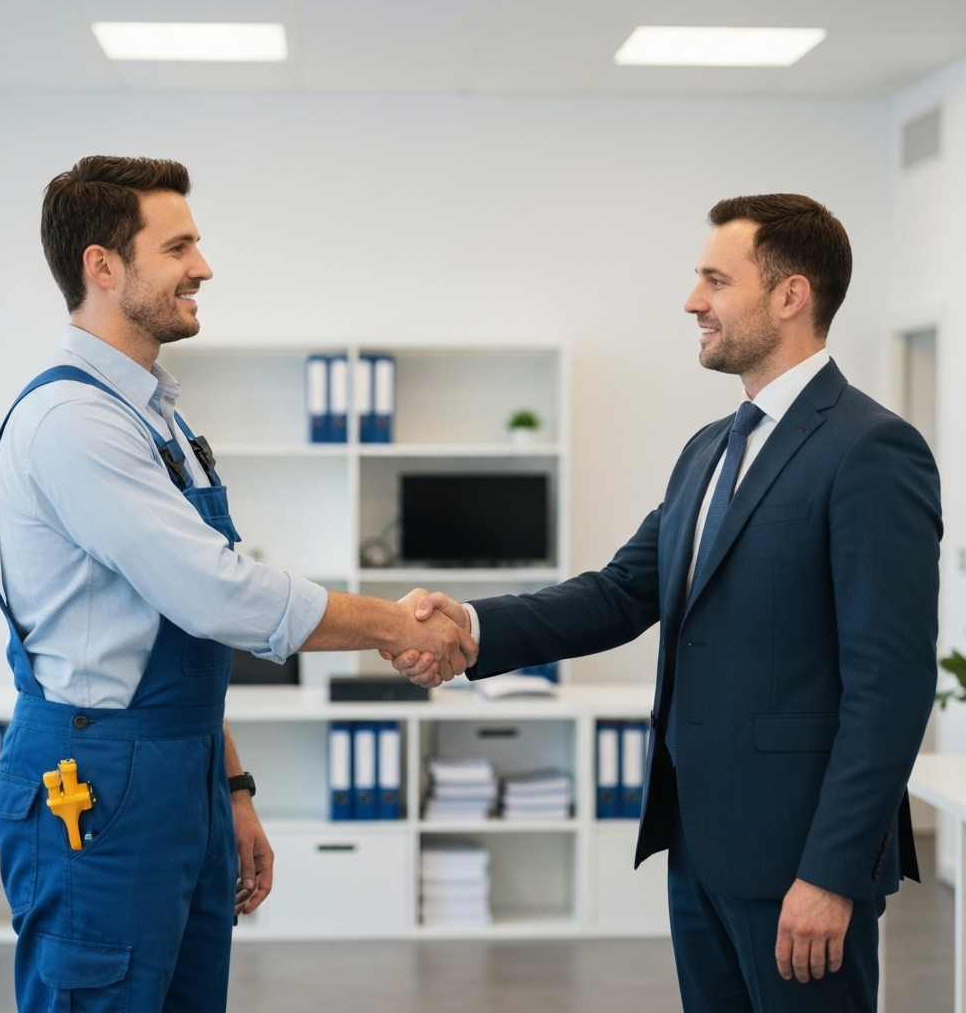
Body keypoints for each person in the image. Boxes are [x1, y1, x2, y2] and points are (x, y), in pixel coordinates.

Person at [389, 195, 941, 1012]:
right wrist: (470, 628)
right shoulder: (709, 451)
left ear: (791, 296)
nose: (693, 302)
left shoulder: (870, 449)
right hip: (701, 847)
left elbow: (890, 688)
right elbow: (620, 593)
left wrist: (831, 870)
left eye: (716, 280)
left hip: (799, 860)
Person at [0, 155, 475, 1013]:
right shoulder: (75, 423)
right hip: (96, 781)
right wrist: (396, 626)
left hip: (179, 769)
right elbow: (220, 594)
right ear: (103, 266)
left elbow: (183, 625)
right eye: (179, 248)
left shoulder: (154, 413)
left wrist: (229, 787)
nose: (203, 268)